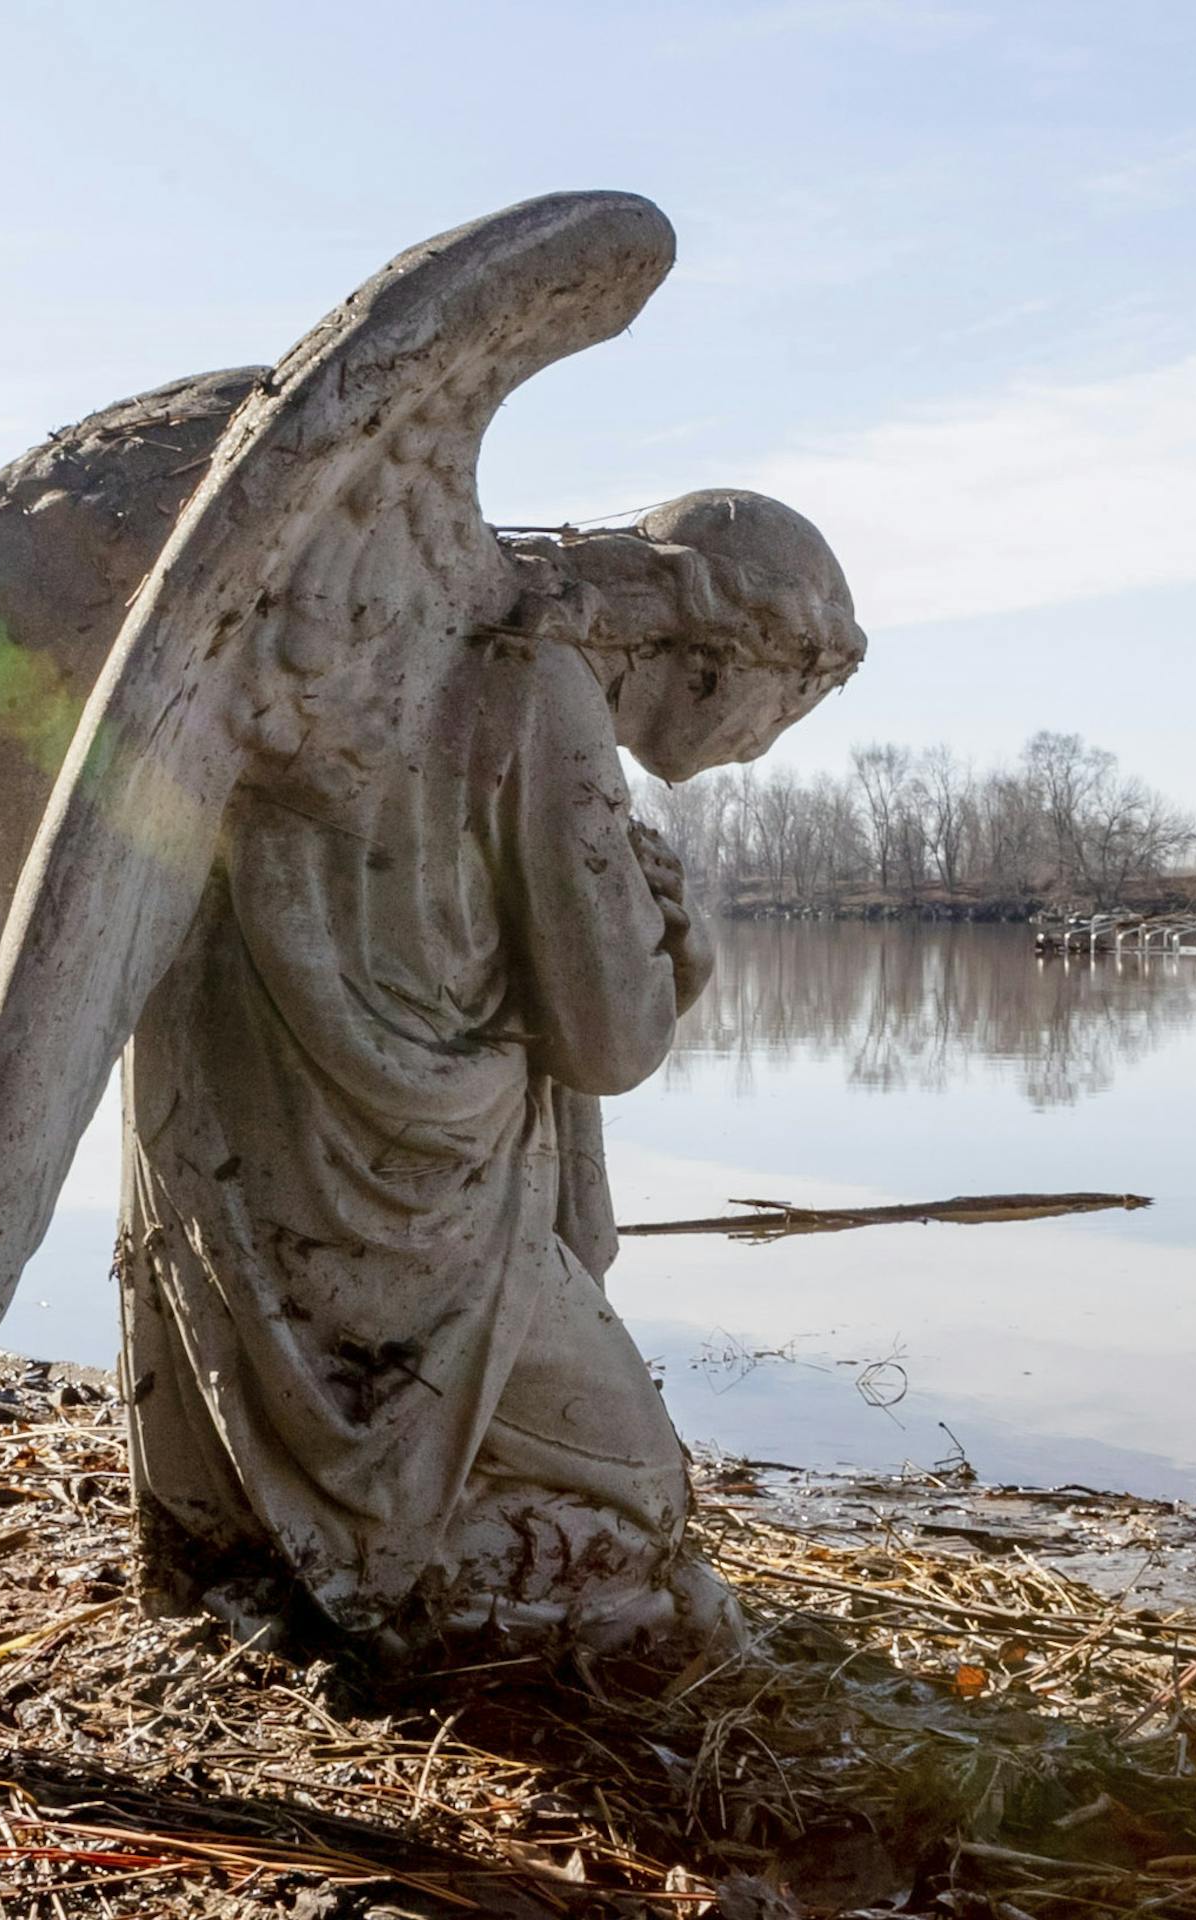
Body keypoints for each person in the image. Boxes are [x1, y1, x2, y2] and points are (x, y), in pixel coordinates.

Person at [117, 489, 866, 1652]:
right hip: (405, 1208)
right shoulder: (539, 684)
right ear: (723, 656)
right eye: (790, 702)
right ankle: (390, 1581)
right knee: (639, 1508)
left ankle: (270, 1546)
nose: (764, 743)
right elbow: (608, 1043)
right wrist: (688, 954)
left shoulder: (395, 651)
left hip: (252, 1162)